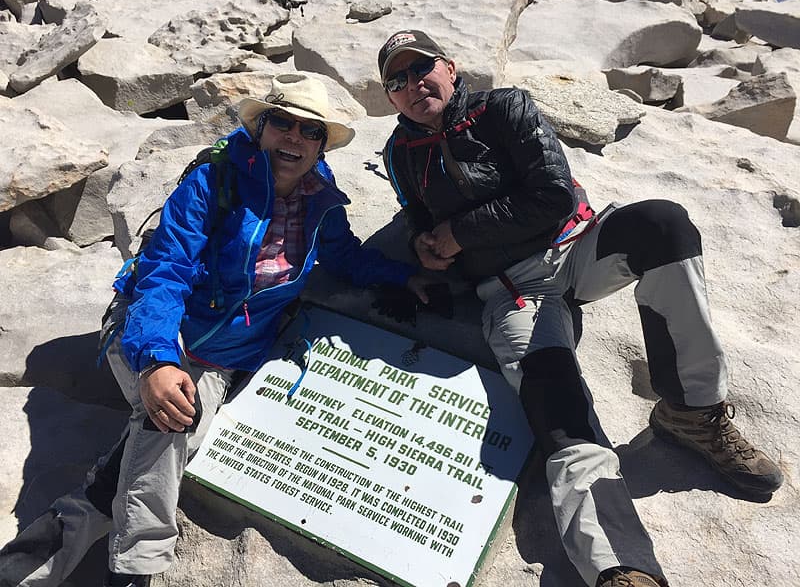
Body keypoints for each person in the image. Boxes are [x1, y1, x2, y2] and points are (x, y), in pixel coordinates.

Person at [377, 30, 784, 587]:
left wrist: (458, 232)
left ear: (450, 67)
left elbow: (553, 195)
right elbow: (418, 218)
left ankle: (691, 411)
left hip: (577, 249)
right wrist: (426, 251)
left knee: (662, 225)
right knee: (561, 411)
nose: (412, 84)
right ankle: (621, 567)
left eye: (421, 68)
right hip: (513, 290)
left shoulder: (504, 108)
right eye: (396, 81)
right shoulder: (400, 154)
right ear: (390, 98)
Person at [0, 73, 430, 587]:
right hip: (156, 329)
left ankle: (52, 540)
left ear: (322, 147)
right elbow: (164, 273)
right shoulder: (213, 181)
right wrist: (157, 360)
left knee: (173, 427)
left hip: (225, 358)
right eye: (281, 123)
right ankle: (137, 569)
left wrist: (408, 276)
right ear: (261, 127)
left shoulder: (321, 200)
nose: (293, 138)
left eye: (309, 131)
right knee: (172, 419)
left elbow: (343, 257)